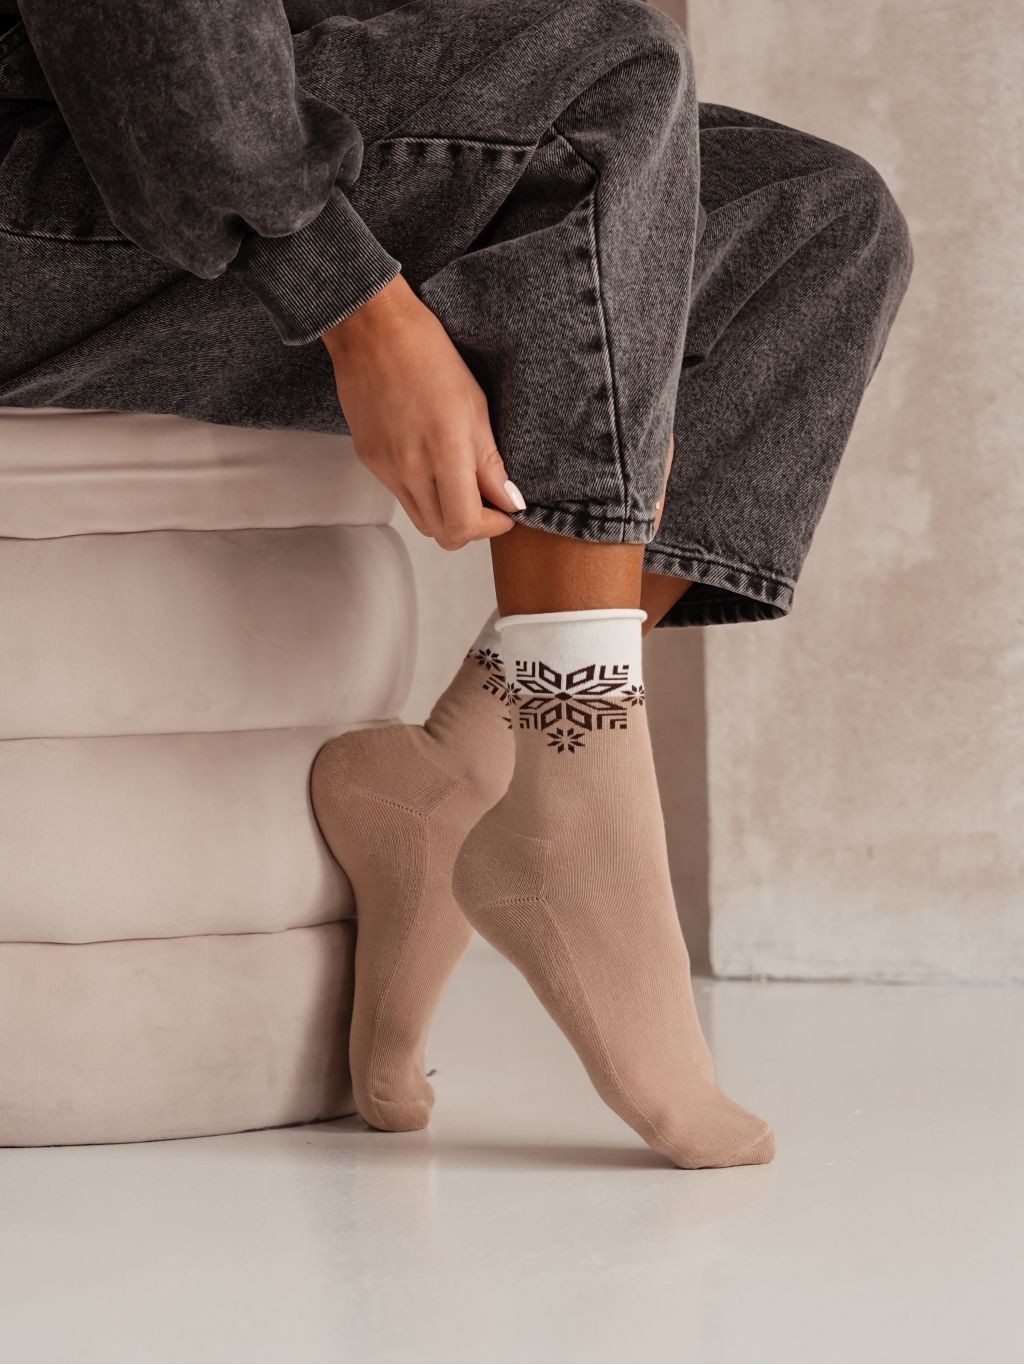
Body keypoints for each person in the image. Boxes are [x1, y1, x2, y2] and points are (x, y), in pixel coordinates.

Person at [0, 0, 912, 1168]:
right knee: (600, 87)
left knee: (811, 215)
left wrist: (623, 339)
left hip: (165, 163)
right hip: (52, 185)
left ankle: (461, 774)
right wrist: (356, 306)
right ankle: (575, 802)